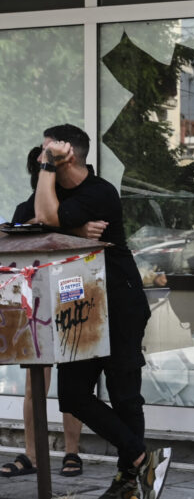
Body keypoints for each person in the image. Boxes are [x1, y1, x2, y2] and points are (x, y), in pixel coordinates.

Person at [32, 124, 171, 499]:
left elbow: (46, 222)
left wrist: (60, 222)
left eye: (48, 152)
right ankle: (141, 456)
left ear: (68, 155)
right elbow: (32, 224)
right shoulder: (53, 191)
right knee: (73, 395)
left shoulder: (100, 192)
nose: (41, 158)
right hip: (80, 306)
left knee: (125, 395)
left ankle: (129, 481)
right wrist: (75, 227)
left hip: (120, 303)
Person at [1, 146, 87, 479]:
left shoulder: (77, 204)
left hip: (73, 297)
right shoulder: (26, 207)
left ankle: (72, 451)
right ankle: (33, 454)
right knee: (34, 381)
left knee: (73, 380)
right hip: (36, 303)